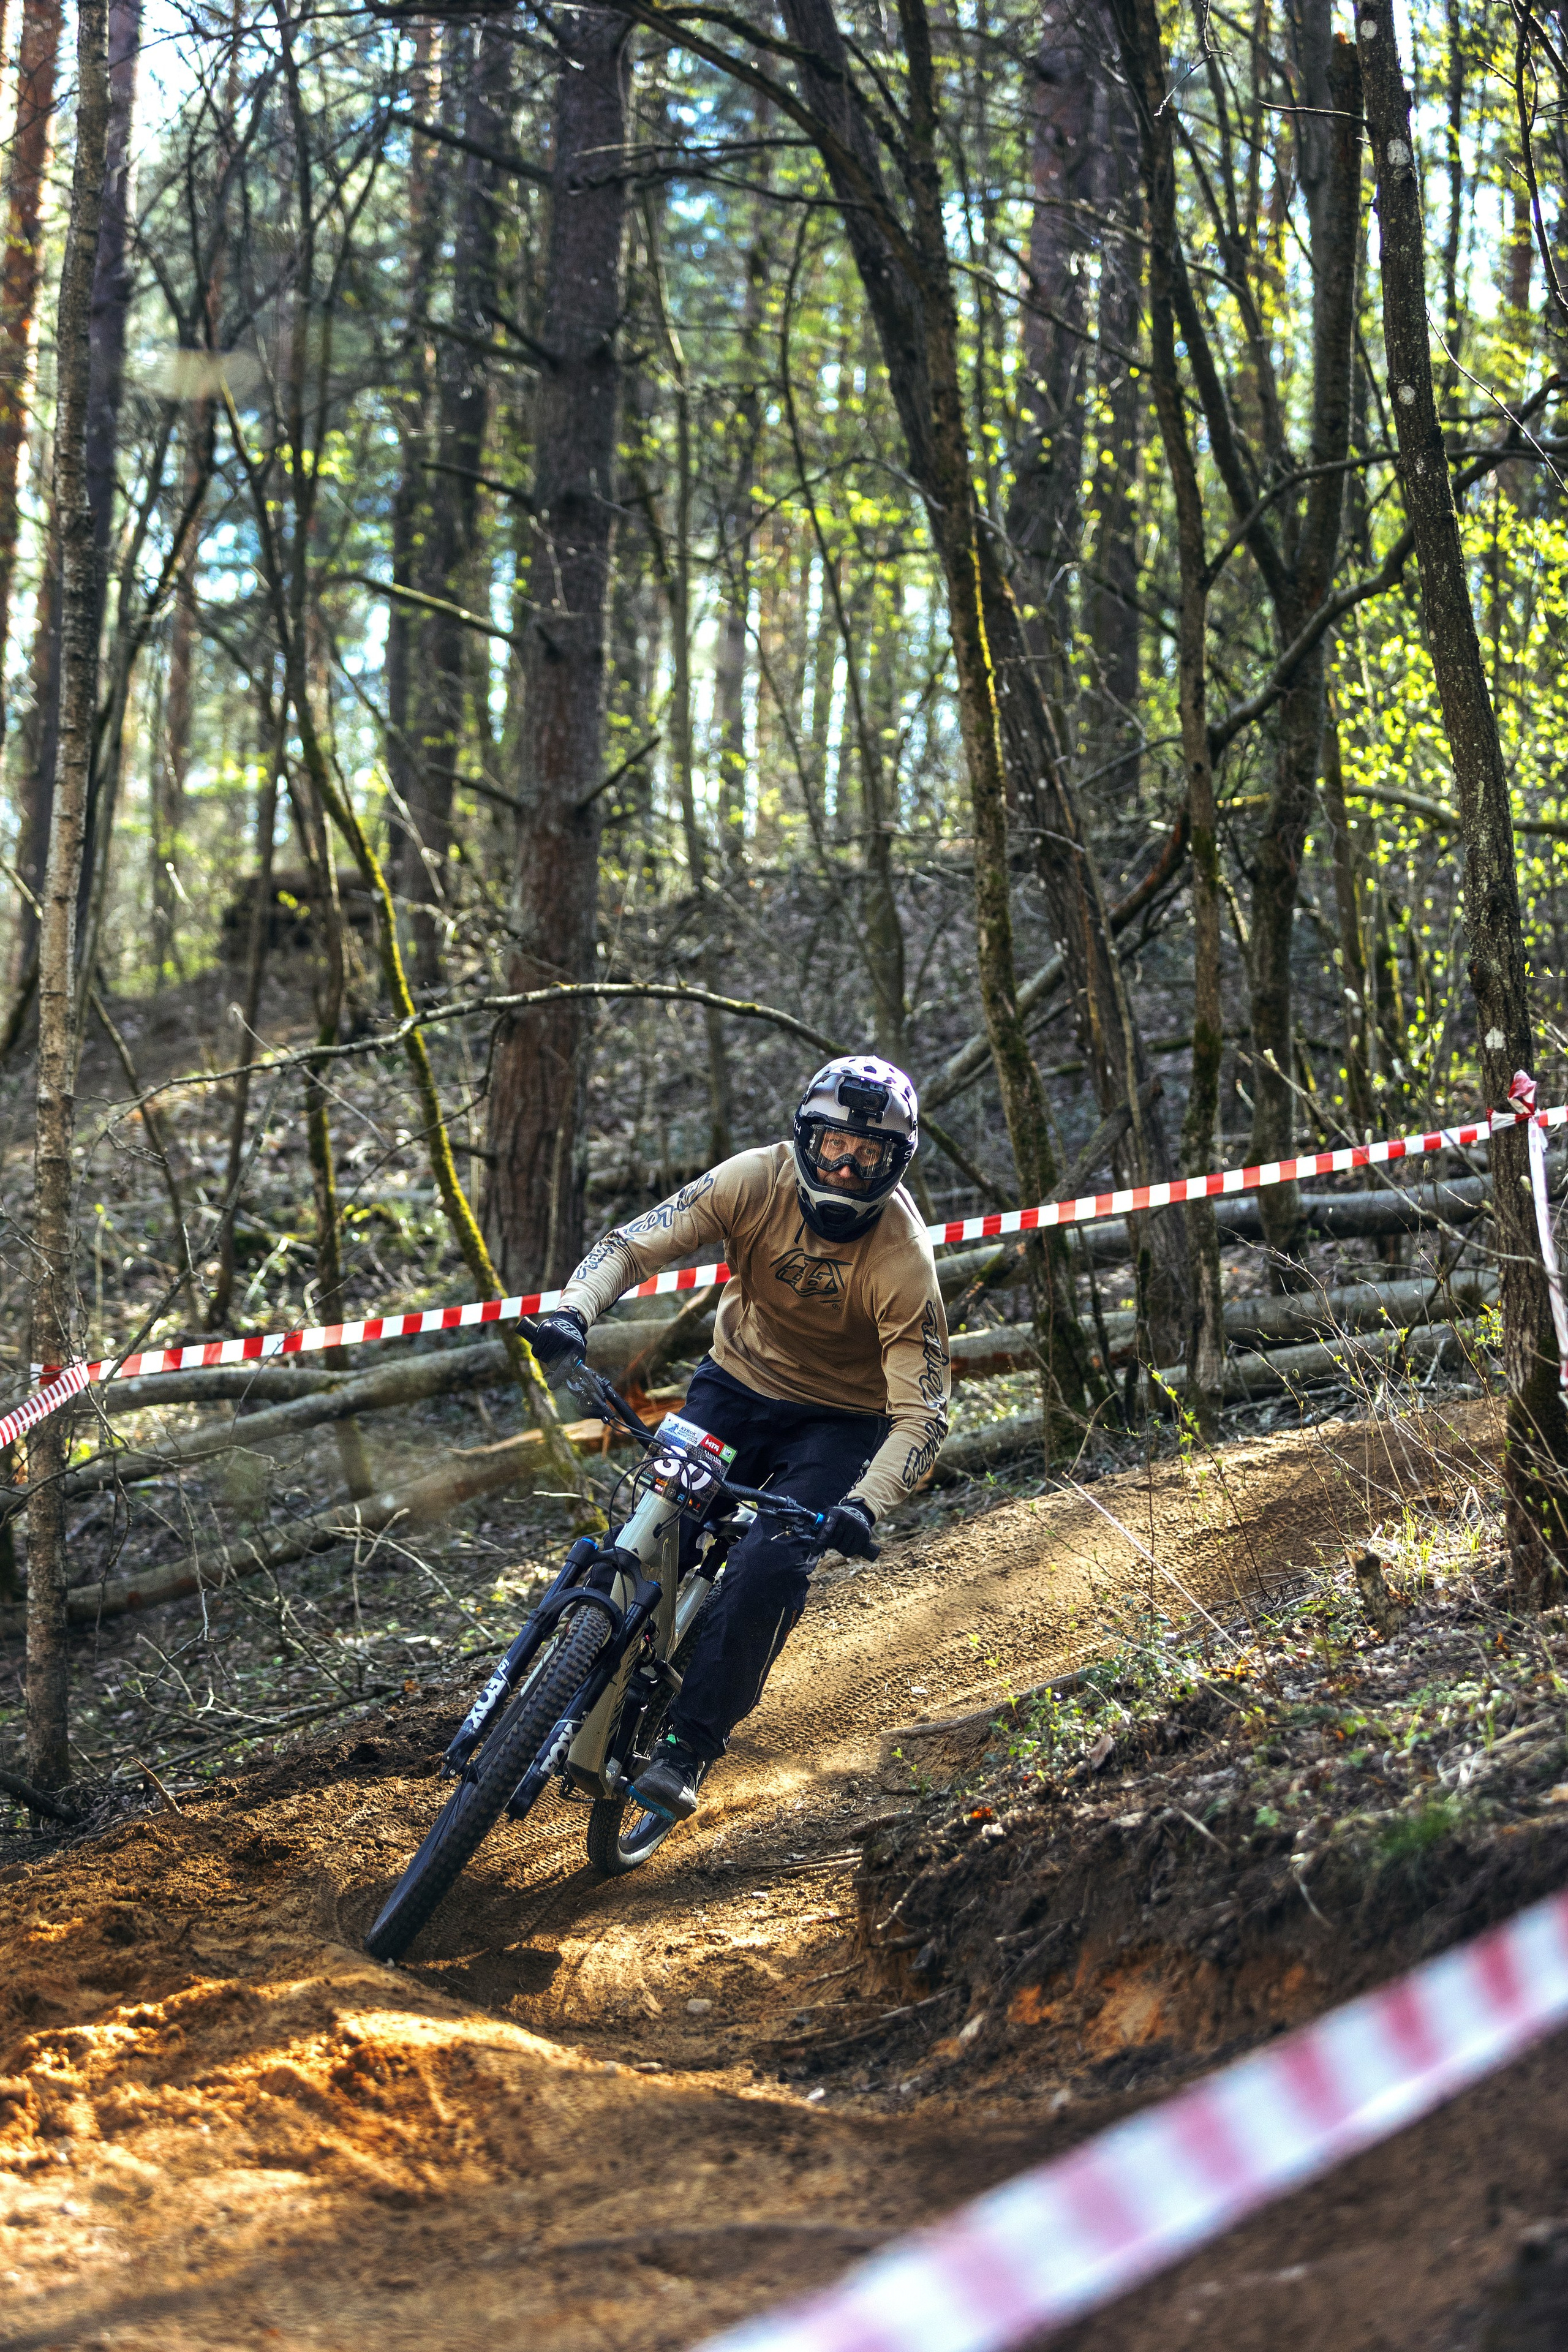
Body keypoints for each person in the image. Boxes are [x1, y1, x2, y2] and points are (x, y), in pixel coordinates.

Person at [528, 1055, 951, 1822]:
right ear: (804, 1139)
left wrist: (863, 1507)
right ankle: (572, 1662)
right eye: (832, 1147)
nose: (847, 1169)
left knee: (769, 1565)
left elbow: (922, 1414)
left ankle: (688, 1747)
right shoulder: (752, 1179)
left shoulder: (902, 1259)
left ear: (897, 1163)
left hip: (837, 1422)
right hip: (733, 1384)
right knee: (660, 1521)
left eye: (869, 1156)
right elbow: (635, 1244)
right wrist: (573, 1312)